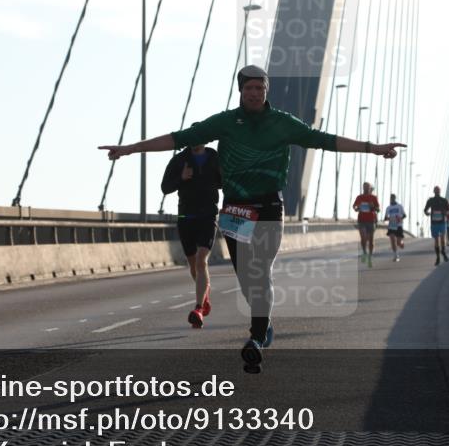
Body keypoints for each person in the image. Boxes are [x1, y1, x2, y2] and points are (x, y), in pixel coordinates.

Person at [100, 65, 405, 373]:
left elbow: (324, 140)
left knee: (261, 272)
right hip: (235, 210)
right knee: (247, 278)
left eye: (260, 88)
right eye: (249, 89)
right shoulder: (226, 122)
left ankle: (256, 339)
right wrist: (129, 150)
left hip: (270, 206)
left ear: (266, 91)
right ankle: (262, 323)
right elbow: (178, 138)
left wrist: (373, 149)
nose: (255, 93)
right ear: (241, 91)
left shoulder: (282, 123)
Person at [160, 144, 222, 329]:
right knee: (193, 264)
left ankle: (198, 309)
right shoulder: (179, 160)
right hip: (186, 216)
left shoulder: (215, 158)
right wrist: (181, 177)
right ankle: (205, 297)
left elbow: (224, 182)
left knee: (202, 260)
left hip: (208, 215)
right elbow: (165, 187)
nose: (196, 142)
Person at [353, 182, 380, 268]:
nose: (365, 188)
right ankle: (364, 252)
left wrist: (373, 207)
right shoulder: (359, 197)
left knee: (371, 240)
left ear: (370, 188)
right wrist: (357, 208)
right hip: (361, 220)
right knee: (363, 237)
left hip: (371, 220)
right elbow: (354, 207)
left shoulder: (373, 198)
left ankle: (370, 255)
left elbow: (378, 209)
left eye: (367, 187)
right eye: (364, 187)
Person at [424, 186, 449, 266]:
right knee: (436, 240)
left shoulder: (444, 200)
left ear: (440, 191)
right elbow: (425, 210)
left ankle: (443, 252)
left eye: (438, 191)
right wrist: (427, 213)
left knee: (442, 239)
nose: (437, 192)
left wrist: (446, 213)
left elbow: (448, 210)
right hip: (434, 223)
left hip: (442, 222)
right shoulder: (430, 200)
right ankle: (438, 257)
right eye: (436, 191)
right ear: (434, 191)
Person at [383, 193, 406, 262]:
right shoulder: (388, 208)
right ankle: (396, 255)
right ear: (390, 199)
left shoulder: (399, 206)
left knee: (399, 243)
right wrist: (387, 218)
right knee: (392, 240)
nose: (392, 199)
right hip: (391, 226)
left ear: (395, 198)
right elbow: (385, 218)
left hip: (399, 225)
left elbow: (404, 215)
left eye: (393, 198)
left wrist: (400, 218)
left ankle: (401, 243)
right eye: (391, 198)